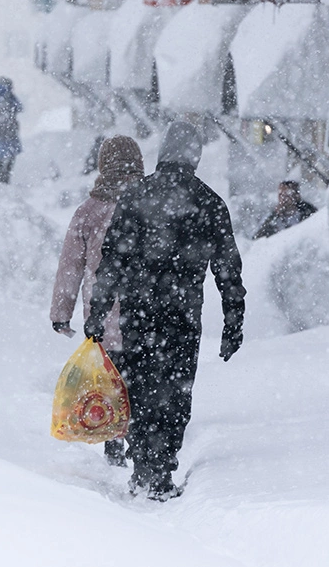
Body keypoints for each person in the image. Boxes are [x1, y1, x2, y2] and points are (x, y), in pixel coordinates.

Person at [86, 121, 245, 500]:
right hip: (182, 316)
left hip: (138, 314)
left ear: (162, 152)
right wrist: (233, 321)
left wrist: (98, 312)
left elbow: (112, 262)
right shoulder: (209, 202)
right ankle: (161, 468)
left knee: (138, 387)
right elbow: (228, 269)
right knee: (174, 391)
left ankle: (142, 462)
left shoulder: (134, 197)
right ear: (195, 156)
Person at [50, 136, 145, 468]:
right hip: (145, 316)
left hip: (102, 318)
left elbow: (71, 266)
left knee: (107, 385)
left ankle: (112, 444)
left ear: (104, 165)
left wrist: (61, 313)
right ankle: (140, 447)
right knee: (140, 384)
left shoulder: (88, 212)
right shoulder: (150, 203)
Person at [253, 180, 318, 239]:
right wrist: (274, 216)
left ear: (296, 196)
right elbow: (258, 239)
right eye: (280, 195)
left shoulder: (308, 213)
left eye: (286, 195)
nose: (283, 199)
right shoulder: (273, 219)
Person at [0, 77, 23, 183]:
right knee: (10, 155)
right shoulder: (7, 98)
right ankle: (5, 178)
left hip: (1, 132)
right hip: (9, 131)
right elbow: (20, 107)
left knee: (3, 155)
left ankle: (2, 178)